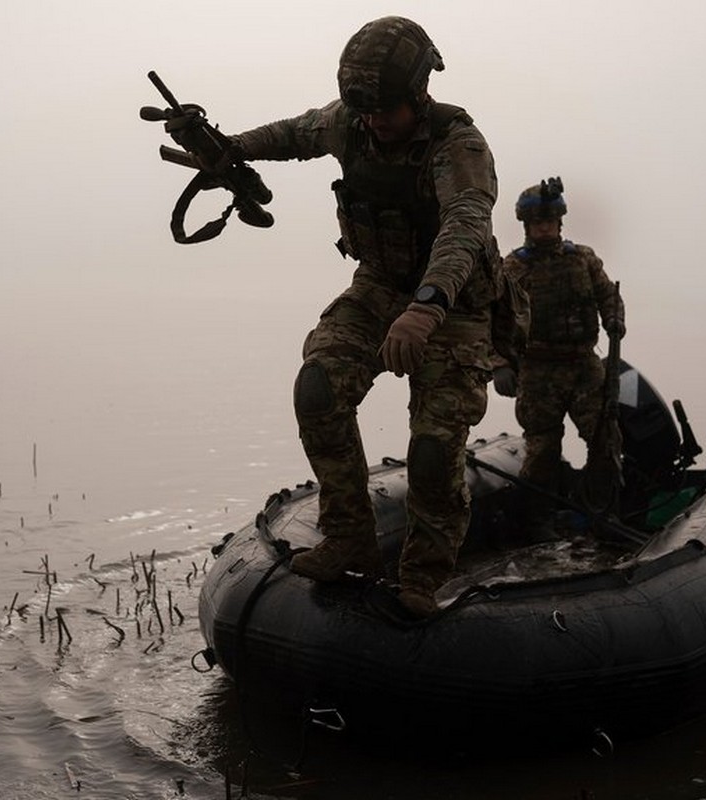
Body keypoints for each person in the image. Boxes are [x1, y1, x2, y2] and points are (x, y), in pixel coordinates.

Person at [228, 16, 517, 617]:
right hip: (380, 285)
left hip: (455, 307)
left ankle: (423, 575)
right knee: (319, 386)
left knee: (435, 451)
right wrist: (231, 148)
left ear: (418, 95)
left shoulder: (458, 146)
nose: (374, 123)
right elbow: (293, 132)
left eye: (386, 110)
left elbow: (465, 226)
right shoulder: (353, 121)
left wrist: (428, 307)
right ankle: (349, 539)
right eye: (366, 113)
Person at [493, 177, 625, 539]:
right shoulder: (513, 270)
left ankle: (605, 513)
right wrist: (499, 365)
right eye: (537, 223)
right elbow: (493, 320)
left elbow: (608, 296)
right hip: (538, 371)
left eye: (550, 222)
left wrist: (615, 321)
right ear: (526, 227)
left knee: (604, 440)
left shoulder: (582, 259)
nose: (544, 229)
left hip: (584, 366)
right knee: (542, 449)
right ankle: (535, 524)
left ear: (559, 223)